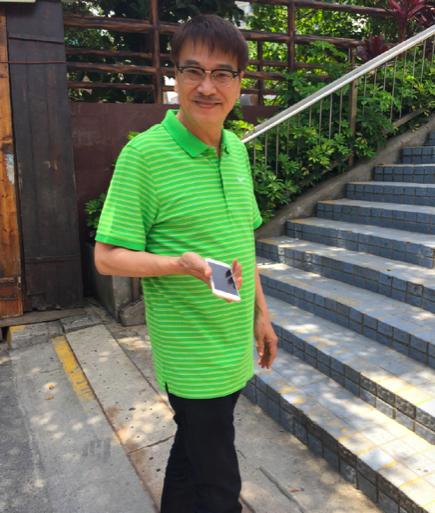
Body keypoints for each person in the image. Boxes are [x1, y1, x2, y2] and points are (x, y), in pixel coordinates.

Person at [94, 14, 278, 513]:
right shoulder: (145, 156)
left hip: (233, 344)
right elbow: (106, 257)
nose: (207, 86)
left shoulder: (235, 150)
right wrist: (180, 264)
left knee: (193, 451)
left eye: (222, 74)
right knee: (220, 483)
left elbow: (243, 242)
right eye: (193, 71)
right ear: (174, 75)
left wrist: (261, 316)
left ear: (239, 82)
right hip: (191, 356)